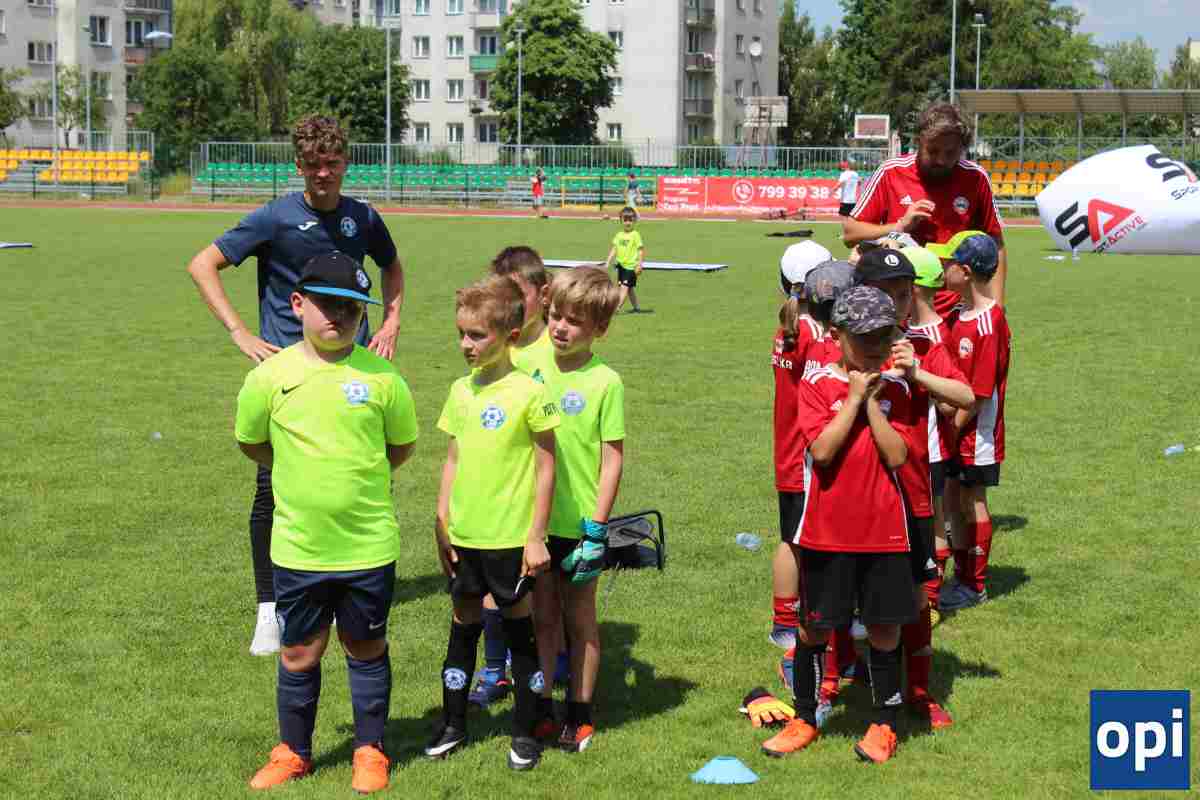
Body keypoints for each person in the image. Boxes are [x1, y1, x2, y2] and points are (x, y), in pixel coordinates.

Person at [188, 115, 405, 656]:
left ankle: (353, 583)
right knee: (272, 485)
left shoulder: (363, 217)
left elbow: (392, 266)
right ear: (298, 166)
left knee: (361, 474)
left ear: (346, 163)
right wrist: (239, 332)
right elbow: (203, 264)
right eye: (312, 164)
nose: (323, 173)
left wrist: (392, 321)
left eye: (331, 163)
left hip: (352, 370)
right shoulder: (276, 217)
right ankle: (270, 608)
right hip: (288, 372)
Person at [235, 252, 418, 793]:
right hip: (299, 547)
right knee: (298, 653)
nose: (339, 315)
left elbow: (400, 447)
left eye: (352, 308)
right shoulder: (269, 377)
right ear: (298, 304)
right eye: (327, 304)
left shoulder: (383, 377)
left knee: (365, 648)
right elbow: (253, 442)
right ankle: (293, 752)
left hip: (367, 546)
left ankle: (370, 750)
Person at [762, 286, 916, 765]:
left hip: (884, 532)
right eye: (862, 336)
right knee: (814, 628)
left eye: (882, 336)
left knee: (884, 630)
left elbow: (898, 455)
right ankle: (805, 718)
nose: (873, 346)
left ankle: (884, 725)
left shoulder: (898, 390)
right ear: (837, 335)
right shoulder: (816, 385)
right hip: (826, 532)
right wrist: (851, 400)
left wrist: (871, 403)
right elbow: (823, 452)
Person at [428, 274, 559, 771]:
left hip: (510, 538)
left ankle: (525, 731)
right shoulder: (460, 391)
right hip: (464, 536)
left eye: (477, 335)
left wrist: (535, 535)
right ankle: (453, 724)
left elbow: (547, 466)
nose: (465, 344)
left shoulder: (530, 391)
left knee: (518, 631)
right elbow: (453, 458)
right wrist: (442, 519)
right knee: (463, 627)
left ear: (510, 336)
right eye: (460, 333)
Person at [857, 247, 974, 729]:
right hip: (855, 495)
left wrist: (918, 374)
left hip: (911, 494)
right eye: (885, 294)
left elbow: (965, 397)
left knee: (918, 595)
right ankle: (834, 682)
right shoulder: (845, 345)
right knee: (847, 595)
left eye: (904, 294)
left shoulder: (923, 346)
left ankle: (920, 692)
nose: (897, 304)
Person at [523, 268, 625, 753]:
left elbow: (612, 458)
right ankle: (542, 707)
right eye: (556, 316)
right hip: (535, 523)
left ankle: (580, 714)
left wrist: (597, 528)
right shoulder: (526, 363)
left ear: (599, 329)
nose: (561, 327)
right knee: (543, 619)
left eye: (575, 321)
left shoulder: (606, 381)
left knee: (581, 620)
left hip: (580, 524)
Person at [468, 245, 554, 710]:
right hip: (498, 491)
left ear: (543, 294)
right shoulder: (495, 348)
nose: (513, 305)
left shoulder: (556, 346)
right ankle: (494, 669)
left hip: (544, 486)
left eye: (519, 295)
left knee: (541, 589)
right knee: (490, 590)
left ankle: (543, 663)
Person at [842, 102, 1008, 310]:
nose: (941, 160)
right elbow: (850, 233)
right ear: (919, 141)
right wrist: (899, 226)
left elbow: (995, 242)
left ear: (962, 149)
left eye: (950, 153)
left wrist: (998, 306)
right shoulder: (891, 172)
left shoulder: (976, 178)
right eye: (933, 150)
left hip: (956, 306)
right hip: (898, 305)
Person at [929, 232, 1010, 612]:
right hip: (954, 427)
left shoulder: (990, 322)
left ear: (965, 271)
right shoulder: (959, 314)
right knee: (954, 500)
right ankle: (960, 577)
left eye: (948, 263)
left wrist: (953, 424)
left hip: (976, 432)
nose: (942, 268)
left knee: (972, 500)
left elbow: (979, 393)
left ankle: (974, 585)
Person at [769, 241, 834, 652]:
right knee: (805, 542)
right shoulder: (817, 334)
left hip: (788, 450)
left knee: (790, 538)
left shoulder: (788, 328)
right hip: (807, 456)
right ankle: (794, 623)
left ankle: (784, 621)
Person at [602, 207, 645, 313]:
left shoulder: (635, 235)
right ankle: (636, 308)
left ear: (634, 220)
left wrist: (639, 264)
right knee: (629, 288)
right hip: (621, 266)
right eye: (625, 220)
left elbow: (640, 250)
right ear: (621, 220)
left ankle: (616, 308)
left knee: (624, 287)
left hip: (631, 267)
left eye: (630, 220)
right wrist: (608, 261)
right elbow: (614, 248)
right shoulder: (619, 235)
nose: (628, 222)